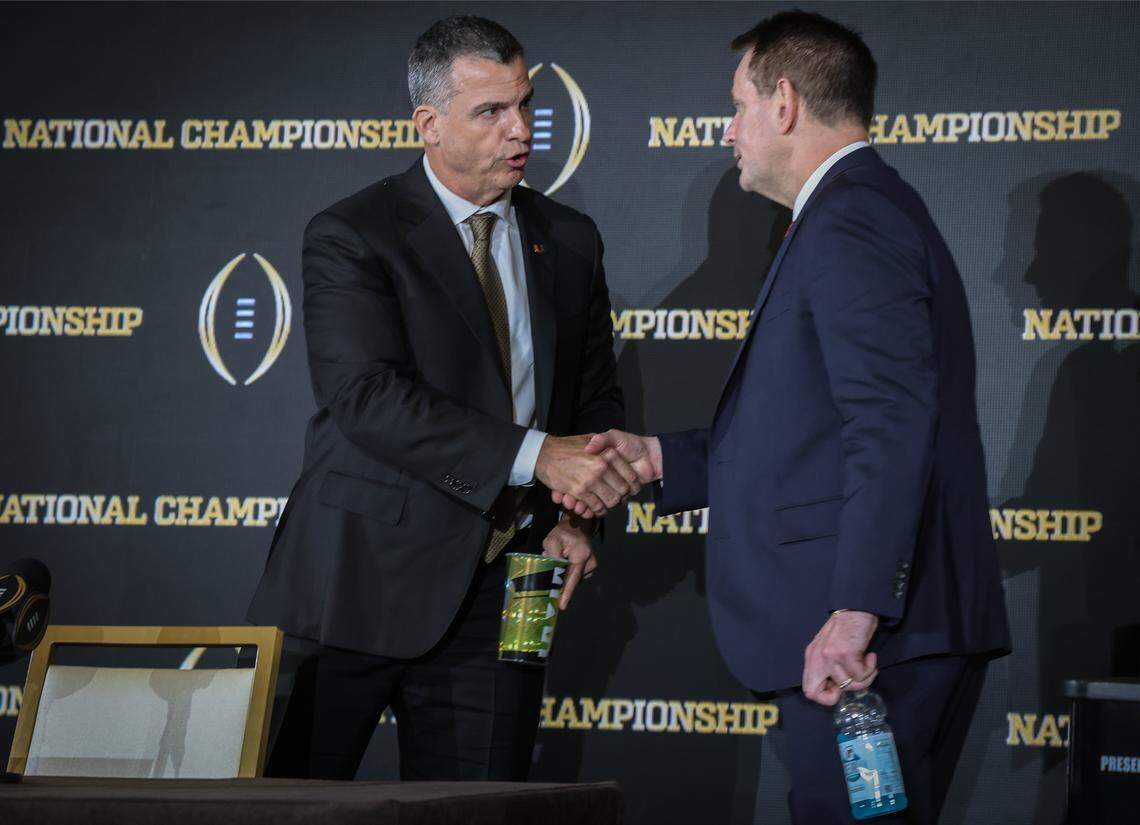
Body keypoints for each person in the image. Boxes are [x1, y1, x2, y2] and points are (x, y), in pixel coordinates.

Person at [557, 11, 1010, 824]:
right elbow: (811, 435)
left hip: (870, 641)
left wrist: (856, 611)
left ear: (786, 103)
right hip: (878, 630)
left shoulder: (853, 217)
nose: (727, 130)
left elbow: (890, 423)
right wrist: (662, 458)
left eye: (737, 105)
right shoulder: (851, 210)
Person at [247, 15, 637, 782]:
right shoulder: (353, 234)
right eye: (491, 112)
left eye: (524, 104)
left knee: (483, 806)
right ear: (428, 124)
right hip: (355, 582)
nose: (520, 129)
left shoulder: (570, 239)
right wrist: (538, 458)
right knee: (287, 803)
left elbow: (593, 397)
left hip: (511, 586)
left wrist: (575, 516)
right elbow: (366, 396)